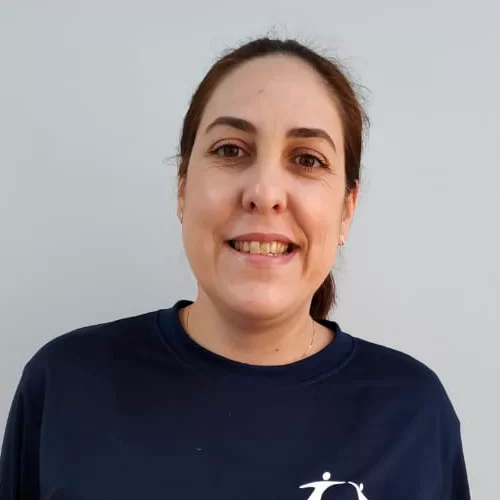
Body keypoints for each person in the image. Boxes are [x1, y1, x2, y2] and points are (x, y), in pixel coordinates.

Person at [0, 37, 470, 500]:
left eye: (307, 159)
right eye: (230, 150)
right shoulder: (66, 384)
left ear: (347, 209)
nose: (264, 192)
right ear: (182, 187)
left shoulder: (412, 414)